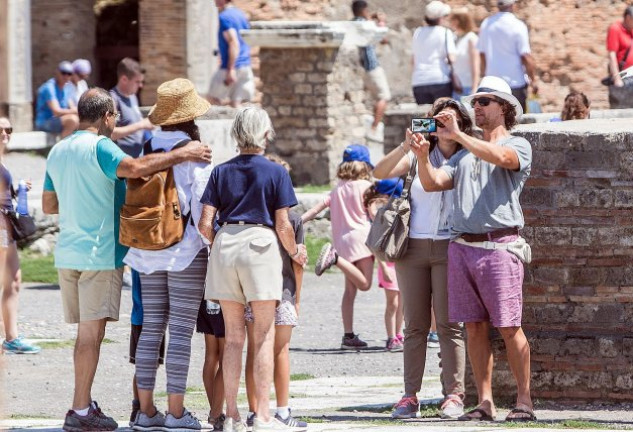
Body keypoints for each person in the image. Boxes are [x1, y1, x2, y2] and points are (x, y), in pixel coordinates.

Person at [42, 88, 211, 432]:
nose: (116, 122)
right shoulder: (102, 146)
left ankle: (89, 405)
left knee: (92, 334)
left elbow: (49, 205)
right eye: (115, 116)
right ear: (106, 116)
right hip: (99, 252)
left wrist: (82, 198)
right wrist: (185, 154)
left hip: (69, 253)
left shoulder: (58, 151)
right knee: (94, 335)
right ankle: (81, 409)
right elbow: (134, 169)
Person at [415, 76, 534, 422]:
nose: (477, 107)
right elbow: (434, 182)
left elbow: (502, 157)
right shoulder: (464, 155)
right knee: (474, 327)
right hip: (462, 247)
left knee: (510, 326)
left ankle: (524, 401)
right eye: (476, 102)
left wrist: (458, 136)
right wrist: (423, 156)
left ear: (505, 108)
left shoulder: (519, 144)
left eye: (485, 102)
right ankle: (485, 402)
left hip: (500, 247)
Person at [198, 107, 308, 432]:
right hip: (260, 244)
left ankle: (230, 415)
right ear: (265, 133)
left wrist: (223, 241)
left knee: (232, 338)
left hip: (225, 243)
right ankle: (261, 415)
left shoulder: (220, 171)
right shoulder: (275, 172)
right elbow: (284, 225)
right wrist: (293, 250)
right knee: (262, 336)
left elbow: (205, 224)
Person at [124, 78, 213, 432]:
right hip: (184, 250)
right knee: (179, 331)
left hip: (146, 249)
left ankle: (146, 412)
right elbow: (205, 201)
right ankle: (177, 413)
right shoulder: (194, 150)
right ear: (191, 116)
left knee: (151, 329)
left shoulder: (145, 147)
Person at [373, 98, 470, 420]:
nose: (442, 125)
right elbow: (380, 172)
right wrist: (406, 146)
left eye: (450, 120)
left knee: (449, 325)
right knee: (414, 326)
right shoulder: (417, 156)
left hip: (450, 246)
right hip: (412, 247)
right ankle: (409, 395)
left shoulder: (467, 158)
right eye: (438, 120)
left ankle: (453, 394)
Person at [244, 155, 308, 431]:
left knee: (253, 350)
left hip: (251, 291)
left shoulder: (248, 217)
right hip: (282, 291)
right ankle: (282, 410)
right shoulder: (292, 220)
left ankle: (253, 410)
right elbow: (299, 265)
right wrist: (298, 300)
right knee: (280, 350)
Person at [302, 144, 375, 350]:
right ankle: (334, 259)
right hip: (361, 240)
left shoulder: (336, 190)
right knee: (365, 284)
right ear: (364, 166)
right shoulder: (366, 188)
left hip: (341, 241)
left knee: (349, 290)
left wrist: (296, 222)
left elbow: (315, 210)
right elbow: (374, 213)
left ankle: (348, 335)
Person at [0, 117, 40, 355]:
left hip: (7, 226)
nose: (5, 133)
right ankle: (11, 337)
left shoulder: (3, 161)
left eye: (9, 129)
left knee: (13, 281)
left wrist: (16, 188)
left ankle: (11, 337)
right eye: (0, 129)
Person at [363, 178, 404, 352]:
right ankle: (390, 337)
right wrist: (384, 267)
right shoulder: (379, 214)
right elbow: (375, 244)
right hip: (387, 265)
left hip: (401, 262)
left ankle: (399, 334)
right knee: (392, 303)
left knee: (402, 303)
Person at [477, 0, 538, 111]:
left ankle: (432, 127)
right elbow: (525, 56)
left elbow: (482, 54)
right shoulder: (518, 25)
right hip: (515, 82)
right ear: (512, 5)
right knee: (517, 121)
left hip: (492, 82)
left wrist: (483, 75)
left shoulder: (486, 24)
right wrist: (533, 80)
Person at [351, 1, 392, 142]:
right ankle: (374, 127)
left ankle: (373, 124)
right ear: (363, 10)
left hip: (360, 68)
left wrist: (371, 17)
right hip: (371, 66)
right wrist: (381, 22)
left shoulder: (353, 23)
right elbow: (384, 39)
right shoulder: (367, 25)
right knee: (384, 96)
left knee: (375, 97)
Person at [208, 0, 255, 108]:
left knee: (212, 98)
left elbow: (233, 42)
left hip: (230, 67)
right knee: (237, 104)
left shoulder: (224, 17)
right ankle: (240, 125)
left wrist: (230, 69)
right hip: (245, 65)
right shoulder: (240, 14)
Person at [411, 1, 455, 105]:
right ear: (440, 18)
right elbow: (452, 59)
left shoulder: (417, 32)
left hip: (419, 80)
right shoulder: (445, 32)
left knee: (423, 118)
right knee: (443, 116)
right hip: (440, 79)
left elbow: (413, 60)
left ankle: (423, 122)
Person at [110, 57, 154, 157]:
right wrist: (141, 125)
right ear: (124, 79)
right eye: (137, 82)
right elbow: (111, 133)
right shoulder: (113, 100)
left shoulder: (132, 96)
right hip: (124, 161)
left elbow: (133, 122)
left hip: (140, 156)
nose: (141, 85)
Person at [35, 61, 79, 138]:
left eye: (69, 74)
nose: (66, 76)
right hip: (45, 122)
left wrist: (77, 111)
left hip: (59, 121)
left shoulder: (67, 88)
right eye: (63, 73)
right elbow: (56, 111)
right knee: (72, 120)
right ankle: (63, 148)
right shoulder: (49, 88)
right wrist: (75, 111)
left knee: (83, 121)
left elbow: (71, 106)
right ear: (57, 72)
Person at [449, 8, 480, 100]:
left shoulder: (471, 38)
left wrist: (474, 87)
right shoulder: (454, 37)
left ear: (459, 20)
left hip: (468, 86)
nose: (450, 22)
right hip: (455, 86)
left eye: (452, 20)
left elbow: (475, 64)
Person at [606, 6, 633, 109]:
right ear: (628, 18)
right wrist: (617, 78)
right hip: (622, 76)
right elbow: (612, 55)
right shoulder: (615, 29)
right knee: (621, 107)